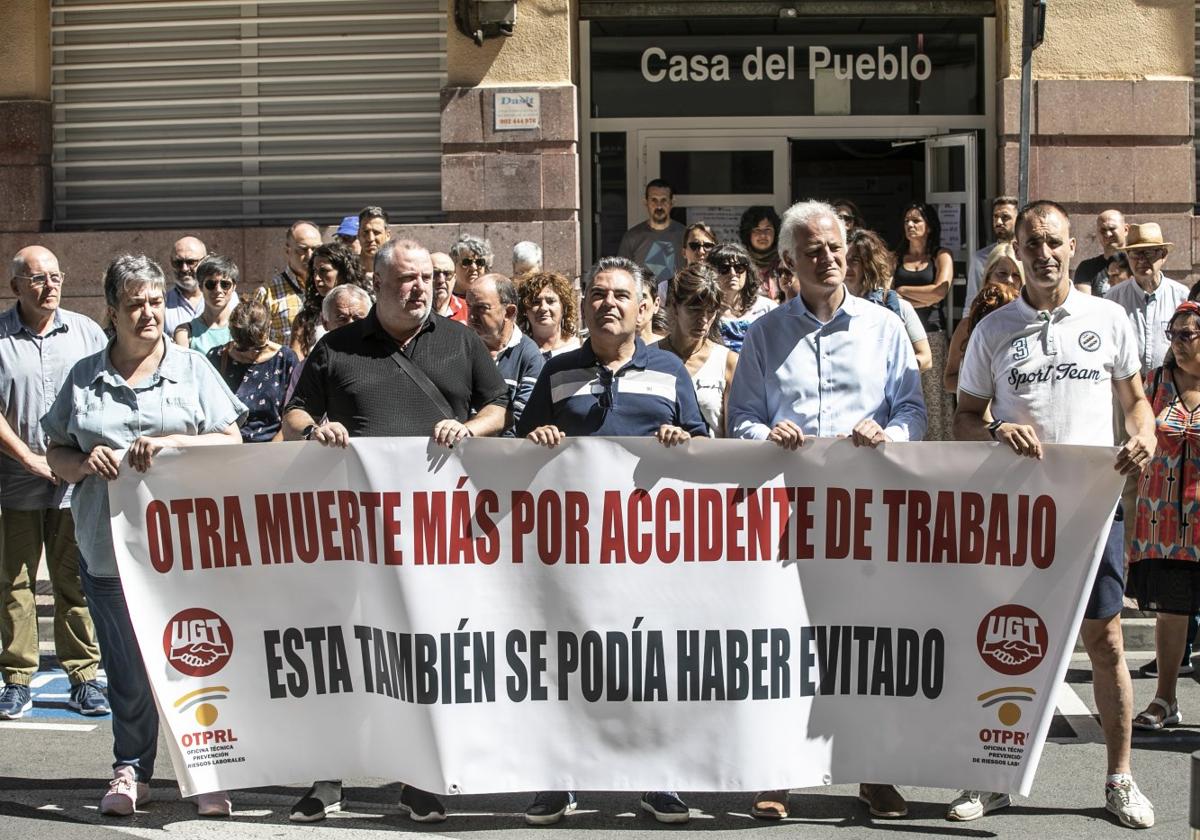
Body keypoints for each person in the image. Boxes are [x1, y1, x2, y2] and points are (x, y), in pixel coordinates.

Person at [283, 239, 506, 825]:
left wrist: (470, 428)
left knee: (422, 656)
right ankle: (326, 780)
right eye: (406, 279)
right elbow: (296, 412)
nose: (420, 289)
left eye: (427, 279)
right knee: (346, 654)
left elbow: (499, 406)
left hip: (438, 537)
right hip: (358, 537)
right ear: (378, 284)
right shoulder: (338, 346)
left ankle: (420, 781)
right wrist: (317, 432)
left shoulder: (460, 341)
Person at [953, 199, 1156, 829]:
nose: (1044, 253)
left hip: (1091, 512)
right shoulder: (993, 330)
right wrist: (996, 432)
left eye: (1055, 242)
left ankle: (1120, 777)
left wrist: (1144, 436)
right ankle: (989, 778)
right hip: (1017, 515)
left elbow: (1138, 404)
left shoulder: (1107, 317)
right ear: (1018, 250)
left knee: (1106, 642)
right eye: (1032, 243)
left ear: (1074, 247)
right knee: (1002, 643)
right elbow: (963, 417)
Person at [726, 199, 924, 822]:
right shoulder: (764, 334)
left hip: (866, 516)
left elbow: (912, 413)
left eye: (836, 247)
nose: (829, 259)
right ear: (788, 262)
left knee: (867, 644)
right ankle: (777, 774)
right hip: (786, 516)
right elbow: (742, 421)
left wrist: (887, 436)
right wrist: (768, 436)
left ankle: (875, 773)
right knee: (785, 643)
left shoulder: (885, 327)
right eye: (814, 250)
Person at [42, 254, 246, 818]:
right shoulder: (84, 376)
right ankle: (132, 768)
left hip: (188, 552)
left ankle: (206, 773)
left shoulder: (193, 367)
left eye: (156, 301)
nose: (149, 313)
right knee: (127, 666)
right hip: (108, 550)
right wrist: (85, 463)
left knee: (197, 658)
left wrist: (171, 445)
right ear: (112, 311)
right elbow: (56, 452)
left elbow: (232, 440)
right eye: (135, 304)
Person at [517, 256, 707, 827]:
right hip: (573, 552)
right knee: (566, 665)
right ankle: (560, 780)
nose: (609, 304)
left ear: (645, 307)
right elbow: (520, 445)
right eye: (598, 294)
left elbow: (701, 441)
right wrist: (538, 437)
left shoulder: (670, 369)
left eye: (621, 295)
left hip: (649, 550)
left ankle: (658, 780)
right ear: (585, 305)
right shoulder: (556, 372)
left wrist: (682, 437)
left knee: (651, 665)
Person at [0, 246, 107, 720]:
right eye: (38, 278)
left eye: (56, 276)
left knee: (74, 582)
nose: (50, 286)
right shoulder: (1, 336)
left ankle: (83, 676)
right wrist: (26, 456)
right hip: (14, 481)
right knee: (16, 583)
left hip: (73, 482)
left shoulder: (84, 331)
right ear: (16, 286)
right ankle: (17, 679)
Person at [1128, 301, 1200, 732]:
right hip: (1164, 523)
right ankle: (1165, 699)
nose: (1176, 342)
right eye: (1172, 334)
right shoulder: (1154, 383)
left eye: (1186, 335)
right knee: (1172, 612)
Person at [892, 202, 954, 440]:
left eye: (916, 220)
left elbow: (940, 291)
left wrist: (904, 290)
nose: (910, 225)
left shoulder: (941, 255)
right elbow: (888, 295)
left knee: (933, 397)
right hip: (902, 334)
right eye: (907, 220)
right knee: (904, 393)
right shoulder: (896, 257)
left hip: (932, 335)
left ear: (929, 226)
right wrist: (922, 299)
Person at [658, 263, 739, 437]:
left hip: (711, 461)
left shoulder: (728, 362)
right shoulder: (648, 357)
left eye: (710, 311)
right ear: (674, 307)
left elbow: (733, 435)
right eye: (694, 309)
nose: (703, 319)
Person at [1105, 222, 1190, 377]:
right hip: (1125, 391)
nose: (1142, 260)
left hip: (1170, 389)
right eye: (1135, 254)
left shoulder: (1182, 297)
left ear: (1163, 255)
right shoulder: (1112, 299)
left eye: (1149, 253)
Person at [208, 300, 298, 443]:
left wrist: (272, 451)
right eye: (242, 348)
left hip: (272, 447)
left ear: (269, 328)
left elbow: (293, 413)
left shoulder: (285, 359)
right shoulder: (217, 357)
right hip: (228, 448)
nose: (250, 354)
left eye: (258, 348)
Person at [466, 273, 544, 436]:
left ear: (508, 312)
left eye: (481, 308)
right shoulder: (461, 348)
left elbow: (521, 419)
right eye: (469, 306)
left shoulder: (529, 356)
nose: (471, 317)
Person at [844, 229, 932, 372]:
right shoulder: (828, 308)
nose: (847, 266)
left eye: (855, 260)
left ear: (869, 264)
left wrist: (893, 371)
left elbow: (925, 357)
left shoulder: (897, 306)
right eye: (843, 259)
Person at [944, 243, 1024, 394]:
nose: (1010, 280)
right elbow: (949, 381)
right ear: (988, 277)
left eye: (1016, 275)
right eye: (1002, 273)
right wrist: (982, 386)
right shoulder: (968, 325)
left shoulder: (1029, 322)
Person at [289, 243, 367, 359]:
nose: (317, 278)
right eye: (315, 271)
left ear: (343, 272)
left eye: (323, 271)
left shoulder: (365, 305)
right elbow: (296, 359)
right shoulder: (307, 317)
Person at [255, 220, 321, 346]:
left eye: (315, 249)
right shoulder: (267, 293)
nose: (310, 255)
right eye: (302, 249)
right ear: (287, 251)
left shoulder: (331, 287)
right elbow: (255, 343)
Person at [617, 178, 686, 288]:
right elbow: (622, 275)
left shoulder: (685, 235)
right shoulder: (632, 237)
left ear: (672, 202)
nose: (659, 206)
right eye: (654, 200)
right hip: (643, 302)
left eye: (664, 200)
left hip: (677, 302)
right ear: (646, 202)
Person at [710, 241, 776, 353]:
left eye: (739, 267)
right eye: (724, 268)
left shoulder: (767, 308)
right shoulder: (706, 309)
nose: (733, 273)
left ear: (748, 271)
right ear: (711, 272)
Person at [173, 254, 238, 353]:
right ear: (200, 287)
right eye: (211, 284)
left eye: (225, 284)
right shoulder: (185, 332)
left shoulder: (243, 327)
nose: (218, 290)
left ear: (234, 287)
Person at [964, 196, 1018, 309]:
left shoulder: (1027, 255)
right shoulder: (980, 258)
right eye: (995, 217)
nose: (998, 222)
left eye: (1005, 217)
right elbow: (972, 300)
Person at [517, 271, 580, 358]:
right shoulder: (518, 351)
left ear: (564, 307)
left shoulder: (578, 348)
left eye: (550, 301)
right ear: (525, 310)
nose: (543, 308)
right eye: (536, 302)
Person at [1075, 209, 1129, 296]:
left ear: (1126, 229)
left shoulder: (1137, 264)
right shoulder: (1087, 268)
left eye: (1112, 228)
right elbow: (1084, 305)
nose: (1108, 234)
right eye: (1103, 230)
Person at [164, 236, 208, 335]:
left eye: (191, 262)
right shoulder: (162, 304)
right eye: (178, 263)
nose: (184, 268)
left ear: (205, 261)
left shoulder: (227, 299)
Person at [738, 206, 785, 301]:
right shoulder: (739, 264)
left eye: (767, 229)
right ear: (748, 233)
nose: (763, 235)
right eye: (757, 230)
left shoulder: (786, 262)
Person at [449, 233, 493, 298]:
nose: (474, 268)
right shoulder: (444, 301)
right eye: (467, 262)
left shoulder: (492, 298)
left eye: (479, 262)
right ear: (453, 265)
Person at [431, 251, 468, 323]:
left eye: (447, 274)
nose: (441, 280)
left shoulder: (467, 310)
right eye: (435, 273)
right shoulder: (416, 309)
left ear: (454, 278)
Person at [357, 205, 391, 279]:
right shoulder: (347, 270)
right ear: (358, 235)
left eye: (376, 232)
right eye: (366, 232)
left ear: (387, 235)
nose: (370, 238)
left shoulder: (395, 270)